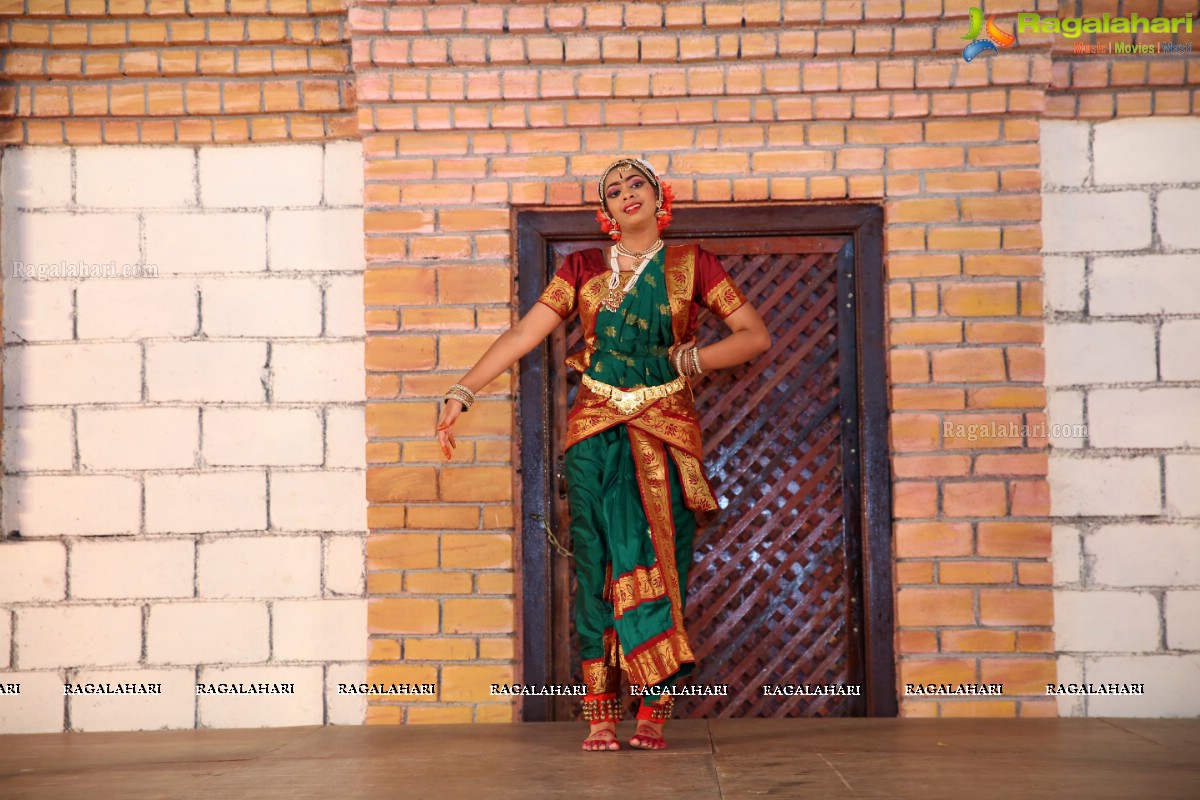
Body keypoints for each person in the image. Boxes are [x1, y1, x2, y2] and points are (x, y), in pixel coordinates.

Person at [436, 158, 771, 752]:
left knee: (659, 561)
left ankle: (652, 710)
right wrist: (463, 390)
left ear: (658, 196)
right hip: (593, 432)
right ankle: (598, 713)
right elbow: (523, 335)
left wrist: (688, 361)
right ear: (606, 211)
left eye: (635, 184)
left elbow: (753, 335)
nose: (626, 195)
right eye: (613, 191)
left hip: (663, 428)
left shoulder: (694, 266)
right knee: (595, 564)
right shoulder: (582, 269)